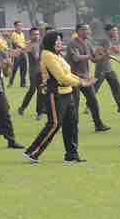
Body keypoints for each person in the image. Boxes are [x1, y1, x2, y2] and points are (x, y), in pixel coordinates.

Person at [24, 30, 96, 164]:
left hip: (67, 93)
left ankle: (71, 156)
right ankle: (32, 152)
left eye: (60, 41)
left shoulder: (58, 55)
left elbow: (68, 74)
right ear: (50, 42)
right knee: (54, 124)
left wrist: (81, 80)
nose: (59, 43)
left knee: (72, 124)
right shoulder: (47, 55)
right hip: (55, 94)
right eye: (56, 41)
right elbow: (61, 77)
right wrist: (81, 82)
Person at [65, 23, 110, 132]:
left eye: (88, 29)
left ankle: (98, 125)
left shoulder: (87, 43)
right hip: (74, 77)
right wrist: (91, 56)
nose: (88, 31)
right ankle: (73, 127)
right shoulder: (72, 43)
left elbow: (94, 59)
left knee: (93, 101)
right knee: (75, 103)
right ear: (79, 31)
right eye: (85, 29)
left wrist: (104, 56)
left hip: (85, 78)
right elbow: (76, 58)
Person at [92, 24, 120, 113]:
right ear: (108, 31)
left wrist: (114, 54)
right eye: (114, 30)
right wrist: (117, 58)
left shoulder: (109, 40)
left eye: (116, 30)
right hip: (101, 69)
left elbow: (107, 53)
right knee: (95, 87)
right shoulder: (105, 41)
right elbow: (102, 54)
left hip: (108, 68)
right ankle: (88, 106)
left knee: (116, 86)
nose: (116, 32)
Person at [18, 27, 46, 117]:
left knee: (41, 90)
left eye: (37, 34)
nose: (36, 36)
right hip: (34, 72)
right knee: (32, 89)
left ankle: (39, 112)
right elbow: (37, 58)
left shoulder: (42, 43)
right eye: (34, 34)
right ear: (30, 35)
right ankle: (22, 107)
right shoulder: (30, 44)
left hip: (42, 71)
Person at [8, 21, 28, 88]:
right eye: (18, 26)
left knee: (24, 69)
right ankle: (10, 83)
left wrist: (25, 47)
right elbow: (16, 44)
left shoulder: (22, 34)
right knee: (14, 69)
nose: (20, 27)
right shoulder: (13, 34)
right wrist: (23, 47)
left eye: (20, 26)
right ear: (15, 27)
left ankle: (23, 84)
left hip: (23, 53)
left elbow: (24, 42)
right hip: (17, 54)